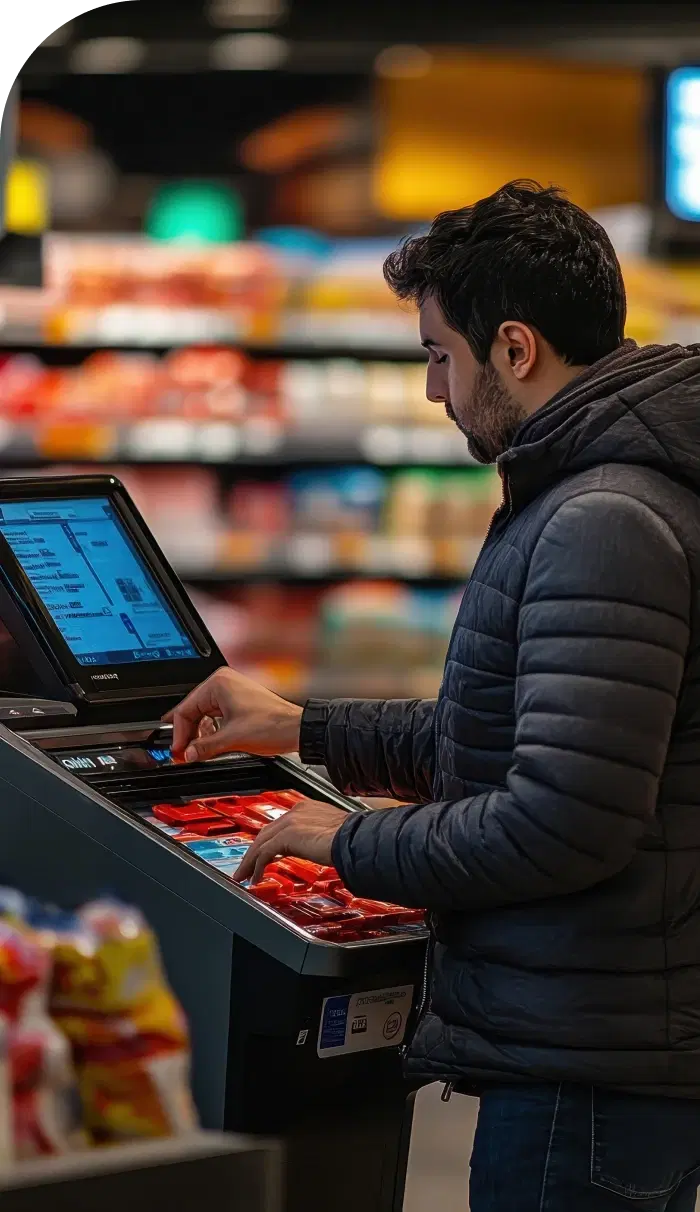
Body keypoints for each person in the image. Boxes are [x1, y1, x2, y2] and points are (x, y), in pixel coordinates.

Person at [164, 181, 700, 1210]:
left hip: (586, 1068)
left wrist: (348, 842)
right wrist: (302, 727)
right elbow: (512, 736)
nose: (431, 391)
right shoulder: (598, 488)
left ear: (514, 349)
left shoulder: (603, 517)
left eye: (439, 356)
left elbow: (564, 824)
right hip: (598, 1043)